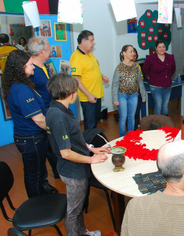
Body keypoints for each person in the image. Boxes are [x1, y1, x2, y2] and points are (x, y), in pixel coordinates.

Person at [46, 73, 108, 236]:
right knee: (73, 211)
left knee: (78, 208)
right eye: (75, 90)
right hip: (73, 171)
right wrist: (91, 159)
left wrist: (90, 148)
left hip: (75, 167)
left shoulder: (60, 109)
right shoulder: (58, 117)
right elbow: (66, 153)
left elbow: (73, 138)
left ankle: (82, 232)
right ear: (68, 92)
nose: (77, 93)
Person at [1, 50, 57, 198]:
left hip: (32, 136)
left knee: (39, 168)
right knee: (34, 173)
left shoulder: (22, 84)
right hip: (31, 138)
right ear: (20, 67)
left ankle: (43, 188)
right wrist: (53, 129)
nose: (33, 67)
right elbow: (38, 119)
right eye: (30, 64)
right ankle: (36, 202)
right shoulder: (22, 90)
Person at [27, 36, 59, 178]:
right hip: (41, 114)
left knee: (53, 145)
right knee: (46, 147)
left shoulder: (43, 66)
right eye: (48, 47)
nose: (51, 50)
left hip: (50, 109)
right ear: (42, 51)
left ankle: (58, 171)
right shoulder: (30, 71)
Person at [70, 30, 110, 130]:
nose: (94, 43)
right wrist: (88, 95)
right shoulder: (76, 57)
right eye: (91, 41)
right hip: (88, 97)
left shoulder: (89, 54)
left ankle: (95, 142)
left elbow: (90, 70)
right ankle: (88, 144)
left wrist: (101, 76)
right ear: (83, 41)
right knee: (90, 124)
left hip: (97, 94)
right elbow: (76, 79)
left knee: (95, 121)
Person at [112, 45, 147, 137]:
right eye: (131, 51)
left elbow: (140, 82)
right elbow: (115, 85)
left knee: (132, 117)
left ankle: (131, 136)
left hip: (134, 95)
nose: (133, 53)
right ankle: (122, 137)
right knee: (123, 117)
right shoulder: (119, 68)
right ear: (124, 53)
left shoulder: (136, 67)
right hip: (122, 96)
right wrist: (115, 99)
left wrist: (143, 95)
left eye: (133, 51)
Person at [142, 40, 176, 115]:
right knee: (158, 105)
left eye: (163, 47)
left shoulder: (170, 57)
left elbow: (173, 69)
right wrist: (149, 77)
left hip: (167, 85)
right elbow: (144, 70)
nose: (162, 49)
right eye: (159, 47)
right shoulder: (150, 58)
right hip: (156, 86)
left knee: (165, 105)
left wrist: (168, 76)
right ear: (156, 48)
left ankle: (165, 124)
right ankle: (156, 124)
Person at [132, 47, 144, 130]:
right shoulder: (122, 66)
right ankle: (130, 131)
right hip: (128, 94)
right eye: (132, 54)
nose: (133, 56)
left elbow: (140, 79)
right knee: (130, 115)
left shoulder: (137, 66)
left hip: (137, 92)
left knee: (136, 113)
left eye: (135, 55)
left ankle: (135, 130)